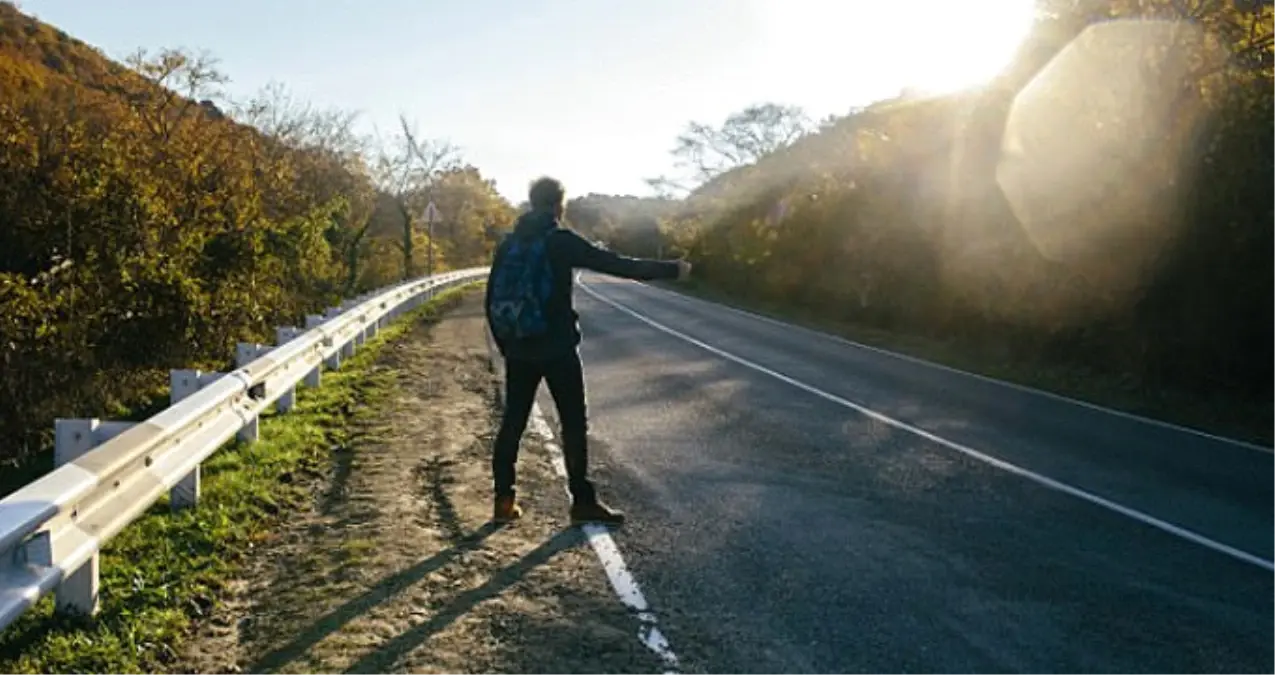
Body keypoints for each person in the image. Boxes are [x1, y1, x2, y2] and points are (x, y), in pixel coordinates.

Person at [485, 176, 691, 526]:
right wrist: (672, 269)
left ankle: (504, 500)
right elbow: (617, 264)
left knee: (513, 424)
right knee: (574, 424)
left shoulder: (509, 244)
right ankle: (582, 502)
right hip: (558, 348)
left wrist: (508, 346)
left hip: (520, 348)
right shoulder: (560, 241)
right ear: (558, 206)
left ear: (531, 202)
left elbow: (492, 300)